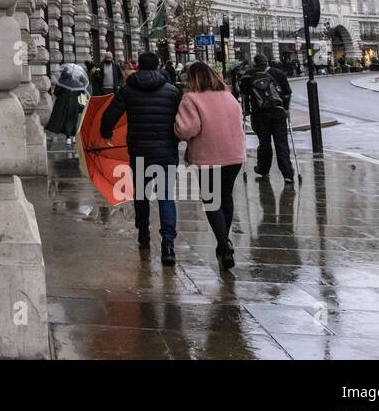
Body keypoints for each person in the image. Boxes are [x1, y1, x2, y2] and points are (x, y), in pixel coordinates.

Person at [99, 52, 183, 265]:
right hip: (166, 151)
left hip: (139, 151)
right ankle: (168, 244)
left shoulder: (127, 91)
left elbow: (109, 116)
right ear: (157, 66)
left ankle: (143, 232)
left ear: (138, 68)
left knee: (142, 194)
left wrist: (106, 132)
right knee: (166, 197)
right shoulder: (172, 91)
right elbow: (181, 120)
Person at [173, 62, 246, 270]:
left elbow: (187, 129)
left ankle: (223, 244)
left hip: (208, 157)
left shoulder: (191, 98)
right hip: (234, 156)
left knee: (212, 202)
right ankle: (224, 242)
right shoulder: (227, 94)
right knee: (226, 197)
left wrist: (175, 126)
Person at [240, 53, 294, 182]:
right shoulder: (278, 73)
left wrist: (246, 110)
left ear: (255, 62)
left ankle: (263, 169)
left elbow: (244, 96)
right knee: (281, 143)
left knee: (264, 143)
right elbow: (287, 93)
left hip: (259, 114)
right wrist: (285, 109)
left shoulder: (248, 74)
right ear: (267, 62)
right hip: (278, 112)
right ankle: (287, 174)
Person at [45, 63, 89, 148]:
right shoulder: (77, 82)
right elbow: (81, 92)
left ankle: (69, 137)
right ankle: (72, 137)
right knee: (73, 119)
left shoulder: (62, 80)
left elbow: (56, 92)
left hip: (64, 103)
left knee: (66, 120)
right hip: (74, 103)